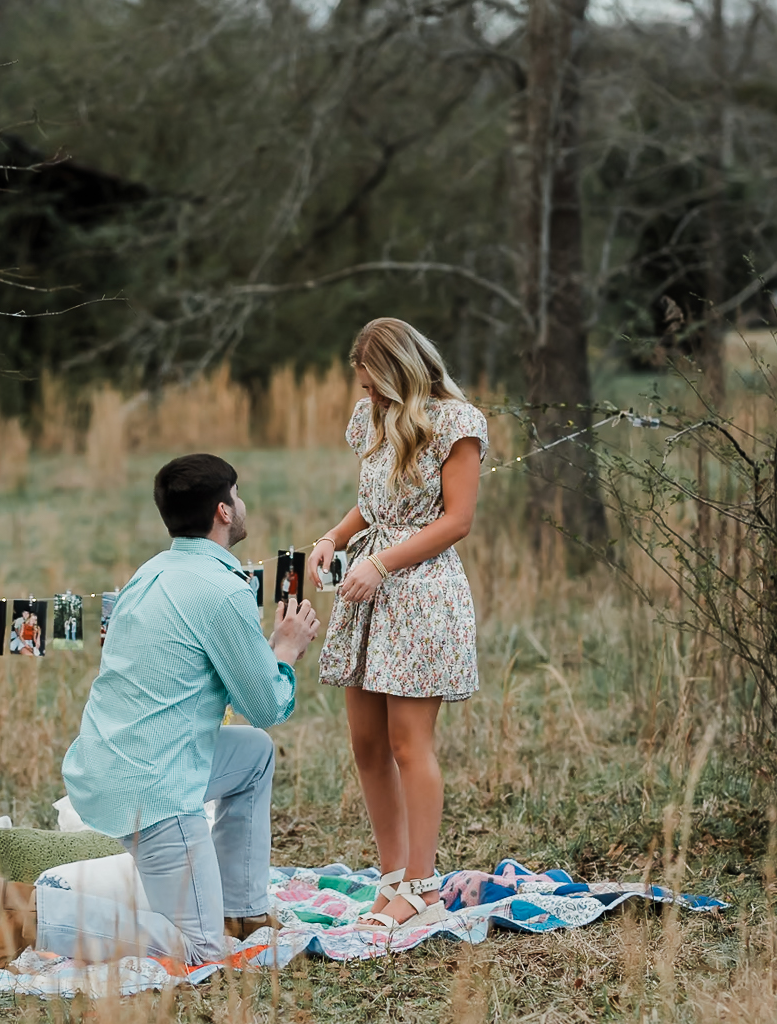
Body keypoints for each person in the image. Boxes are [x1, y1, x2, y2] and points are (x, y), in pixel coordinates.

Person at [60, 453, 320, 965]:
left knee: (252, 756)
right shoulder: (222, 590)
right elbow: (266, 704)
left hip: (110, 760)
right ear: (224, 512)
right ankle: (39, 918)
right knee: (200, 955)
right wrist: (285, 650)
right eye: (237, 496)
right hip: (155, 789)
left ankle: (240, 910)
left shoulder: (149, 573)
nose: (242, 505)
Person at [305, 318, 485, 929]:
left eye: (374, 386)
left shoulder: (456, 424)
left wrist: (380, 562)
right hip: (368, 586)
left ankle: (422, 884)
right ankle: (392, 878)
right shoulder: (373, 421)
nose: (368, 398)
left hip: (421, 591)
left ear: (397, 372)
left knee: (410, 743)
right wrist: (335, 536)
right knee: (366, 743)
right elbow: (375, 501)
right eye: (364, 389)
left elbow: (456, 520)